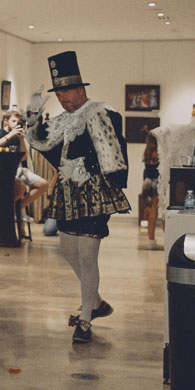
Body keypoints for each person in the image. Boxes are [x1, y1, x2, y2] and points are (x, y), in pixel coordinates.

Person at [26, 51, 130, 344]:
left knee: (87, 254)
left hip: (96, 192)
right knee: (68, 250)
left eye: (66, 92)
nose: (61, 98)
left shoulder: (103, 113)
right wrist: (32, 116)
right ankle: (94, 302)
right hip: (69, 192)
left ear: (81, 90)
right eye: (58, 93)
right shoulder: (63, 120)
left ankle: (85, 319)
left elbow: (113, 152)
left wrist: (88, 167)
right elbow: (40, 142)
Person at [0, 108, 53, 209]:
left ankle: (18, 207)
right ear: (6, 121)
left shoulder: (17, 137)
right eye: (13, 121)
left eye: (18, 122)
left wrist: (21, 139)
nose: (16, 124)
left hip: (17, 169)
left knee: (44, 185)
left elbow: (24, 158)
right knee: (21, 187)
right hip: (2, 170)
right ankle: (8, 209)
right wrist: (10, 135)